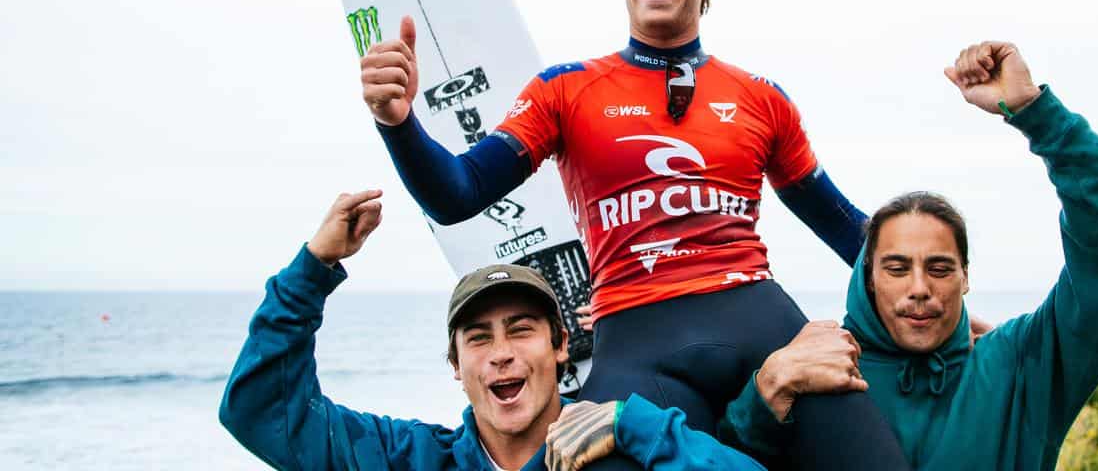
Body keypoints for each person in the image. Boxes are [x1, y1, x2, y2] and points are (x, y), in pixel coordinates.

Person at [360, 0, 909, 469]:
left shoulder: (762, 98)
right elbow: (457, 194)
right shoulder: (565, 90)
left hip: (760, 321)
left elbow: (847, 229)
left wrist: (933, 307)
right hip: (638, 341)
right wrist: (398, 123)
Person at [718, 41, 1098, 470]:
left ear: (965, 278)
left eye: (939, 268)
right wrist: (763, 395)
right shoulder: (807, 373)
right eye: (897, 268)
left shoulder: (1020, 368)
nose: (919, 289)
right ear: (869, 275)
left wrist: (1039, 116)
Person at [218, 189, 769, 471]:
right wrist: (312, 270)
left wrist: (636, 426)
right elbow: (261, 412)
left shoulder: (628, 448)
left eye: (520, 329)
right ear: (457, 368)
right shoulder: (414, 458)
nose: (501, 354)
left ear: (559, 347)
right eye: (478, 338)